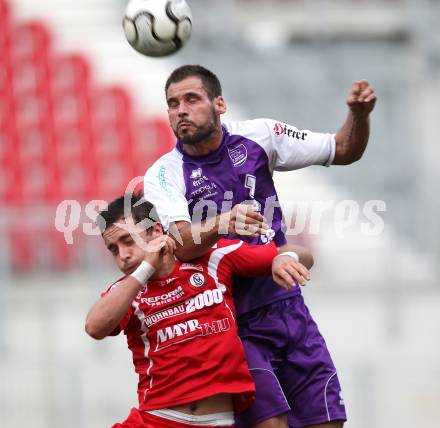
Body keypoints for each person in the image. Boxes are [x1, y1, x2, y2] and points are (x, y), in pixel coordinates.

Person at [143, 65, 377, 428]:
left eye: (191, 99)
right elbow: (182, 243)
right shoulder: (164, 173)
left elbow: (344, 148)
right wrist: (223, 222)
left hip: (289, 307)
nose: (181, 111)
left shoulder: (261, 135)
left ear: (219, 103)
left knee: (329, 422)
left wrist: (358, 116)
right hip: (233, 322)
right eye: (172, 104)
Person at [85, 192, 314, 428]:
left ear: (155, 231)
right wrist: (145, 268)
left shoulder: (213, 257)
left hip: (217, 421)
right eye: (113, 249)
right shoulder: (128, 291)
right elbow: (94, 327)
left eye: (129, 241)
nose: (123, 255)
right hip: (157, 419)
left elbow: (302, 255)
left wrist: (283, 258)